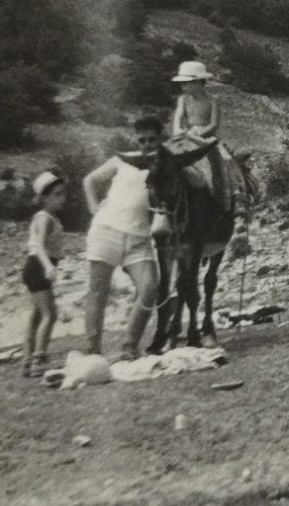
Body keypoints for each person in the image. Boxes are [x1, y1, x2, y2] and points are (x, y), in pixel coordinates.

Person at [81, 116, 164, 360]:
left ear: (160, 139)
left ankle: (129, 347)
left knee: (149, 288)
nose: (147, 144)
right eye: (142, 140)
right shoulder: (122, 160)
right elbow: (90, 180)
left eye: (152, 139)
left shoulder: (164, 165)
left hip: (139, 240)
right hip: (106, 231)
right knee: (98, 292)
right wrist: (94, 207)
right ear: (135, 139)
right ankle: (92, 352)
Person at [19, 170, 66, 377]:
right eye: (56, 194)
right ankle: (39, 358)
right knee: (50, 314)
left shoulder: (50, 217)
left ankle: (27, 362)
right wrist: (48, 266)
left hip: (34, 267)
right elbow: (38, 244)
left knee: (36, 316)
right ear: (43, 198)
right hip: (37, 266)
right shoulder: (44, 218)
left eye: (63, 194)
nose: (62, 198)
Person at [171, 59, 230, 205]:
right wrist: (179, 130)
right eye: (182, 83)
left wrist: (198, 135)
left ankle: (232, 197)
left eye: (187, 83)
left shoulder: (212, 101)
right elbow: (178, 117)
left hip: (206, 137)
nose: (183, 86)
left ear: (199, 82)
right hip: (186, 135)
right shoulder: (183, 100)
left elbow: (214, 124)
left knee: (226, 159)